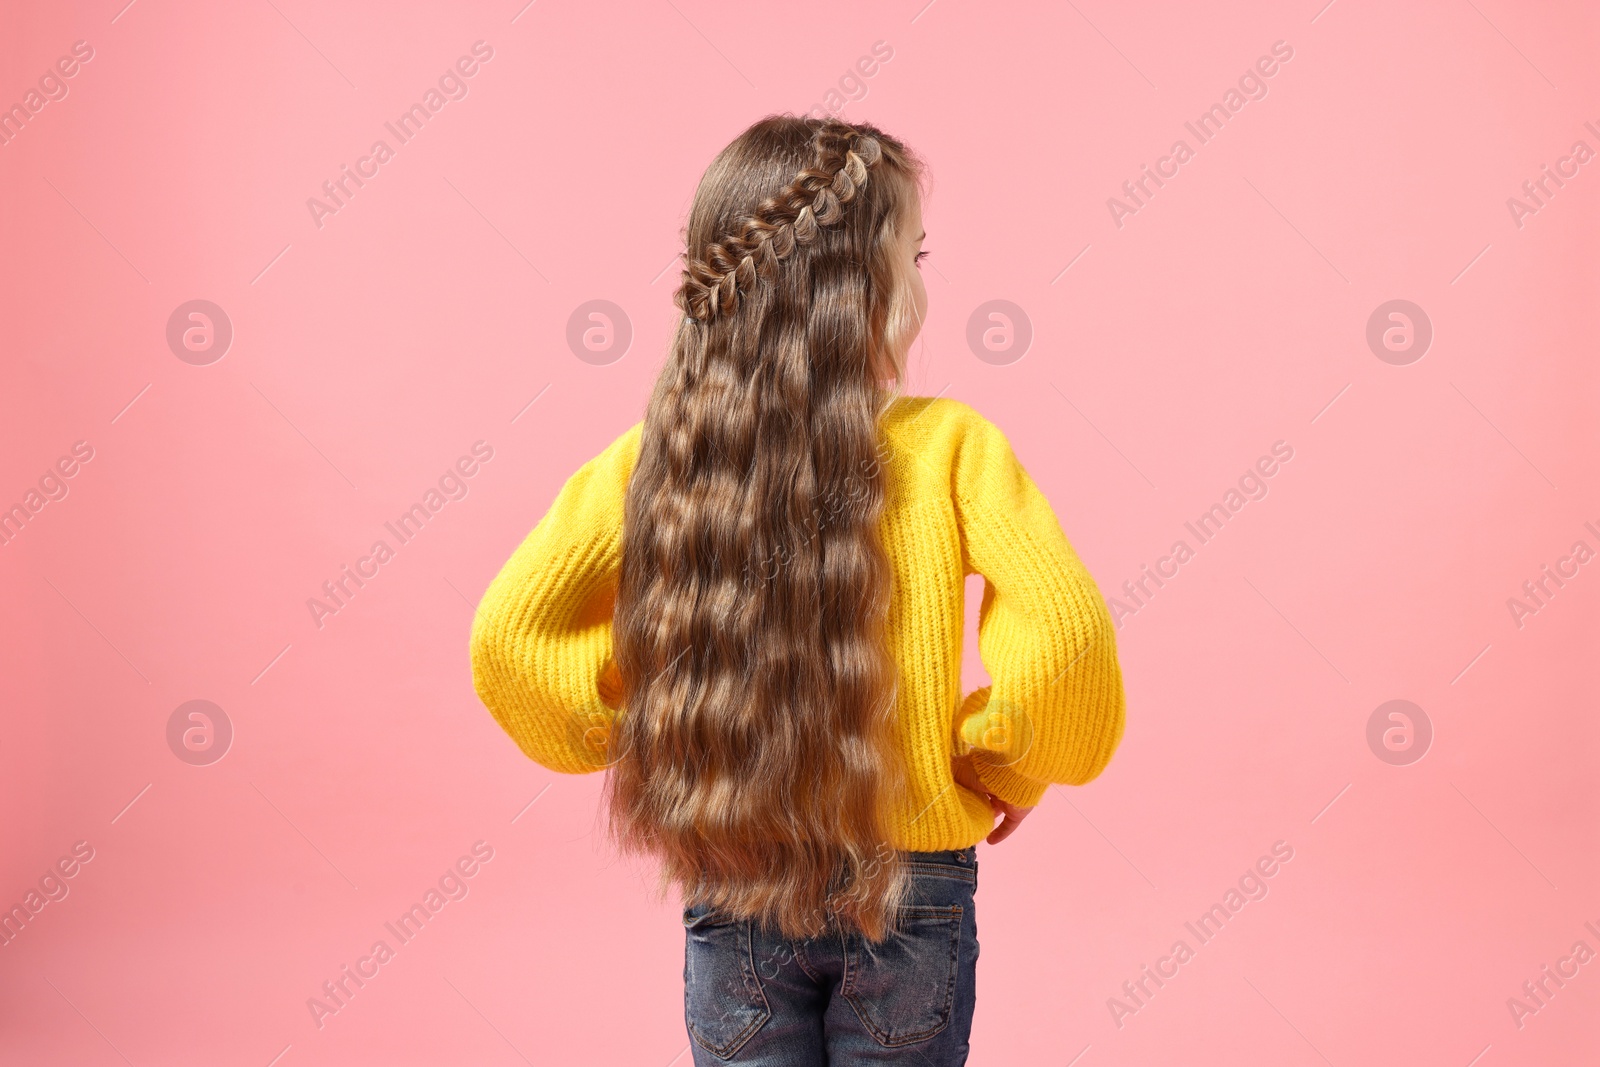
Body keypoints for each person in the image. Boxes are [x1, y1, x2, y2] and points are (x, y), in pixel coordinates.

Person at [469, 115, 1126, 1065]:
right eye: (916, 253)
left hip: (735, 878)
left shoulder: (666, 456)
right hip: (912, 885)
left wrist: (649, 729)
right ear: (861, 284)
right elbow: (1066, 640)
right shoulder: (952, 448)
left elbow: (509, 638)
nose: (924, 282)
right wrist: (1001, 766)